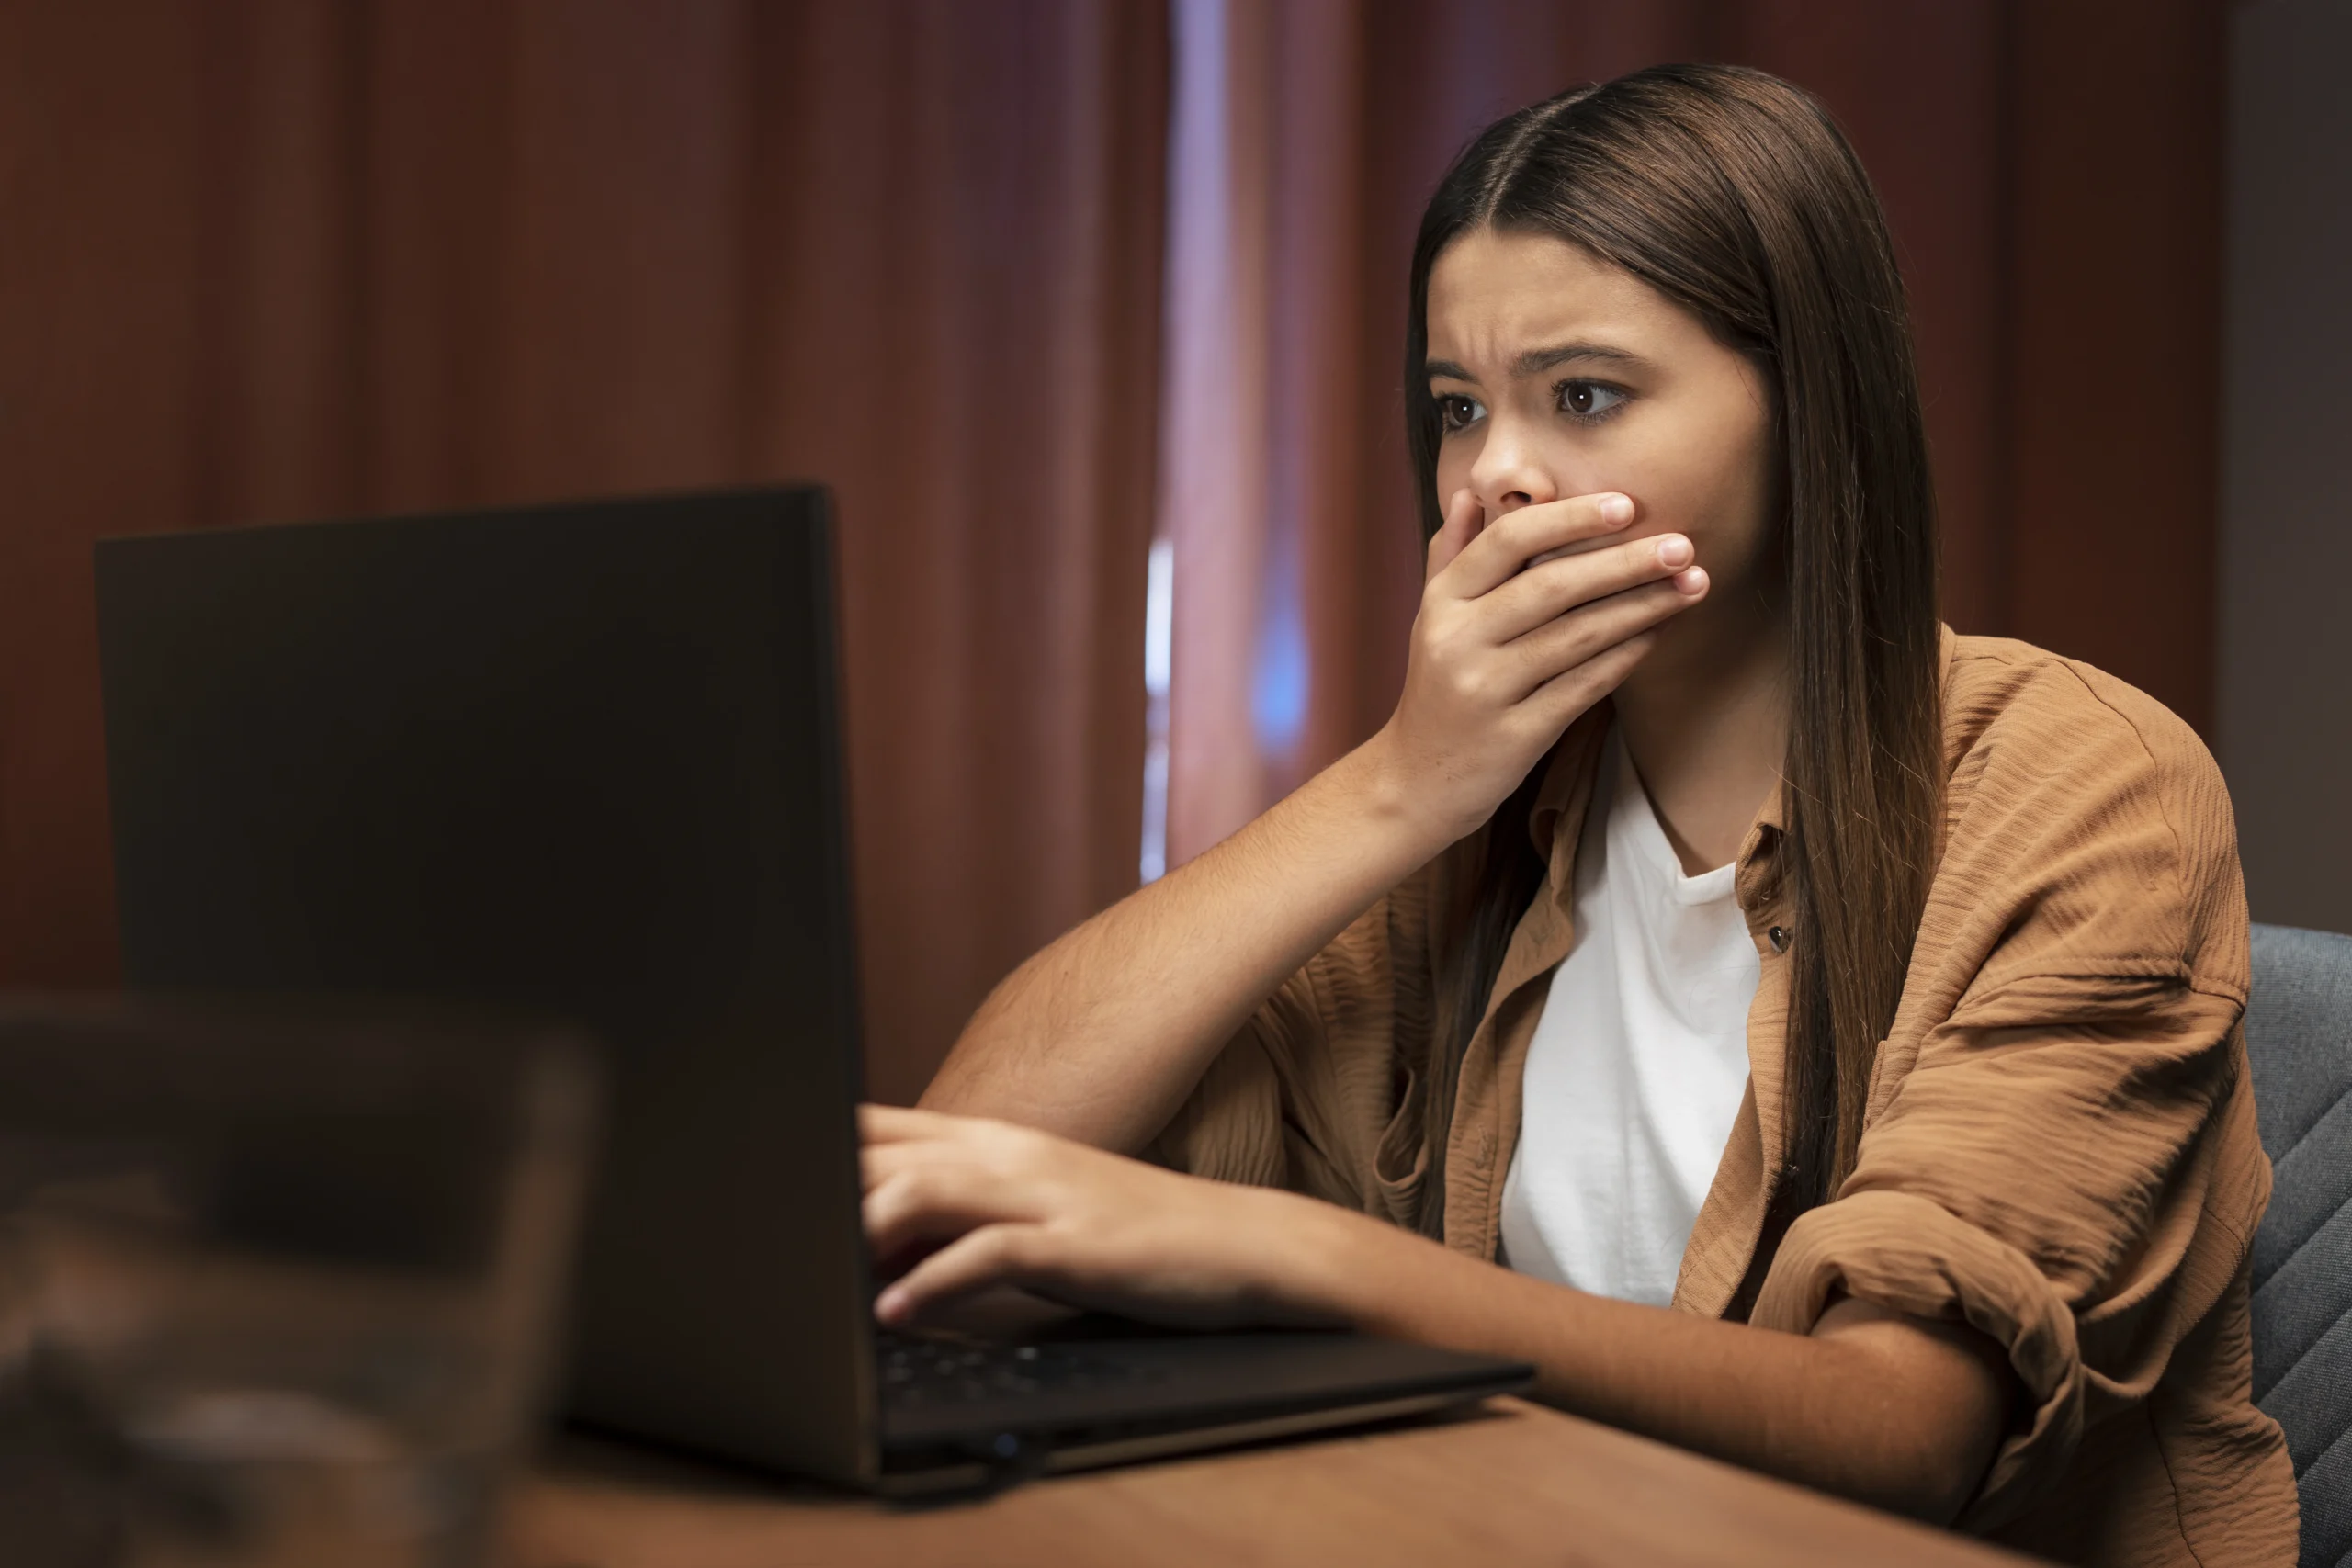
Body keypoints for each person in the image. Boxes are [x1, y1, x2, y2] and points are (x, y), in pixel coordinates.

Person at [860, 63, 2298, 1564]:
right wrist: (1394, 786)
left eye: (1585, 395)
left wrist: (1302, 1258)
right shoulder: (1476, 805)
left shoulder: (2089, 786)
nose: (1493, 479)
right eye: (1458, 408)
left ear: (1805, 405)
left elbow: (1896, 1439)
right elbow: (950, 1215)